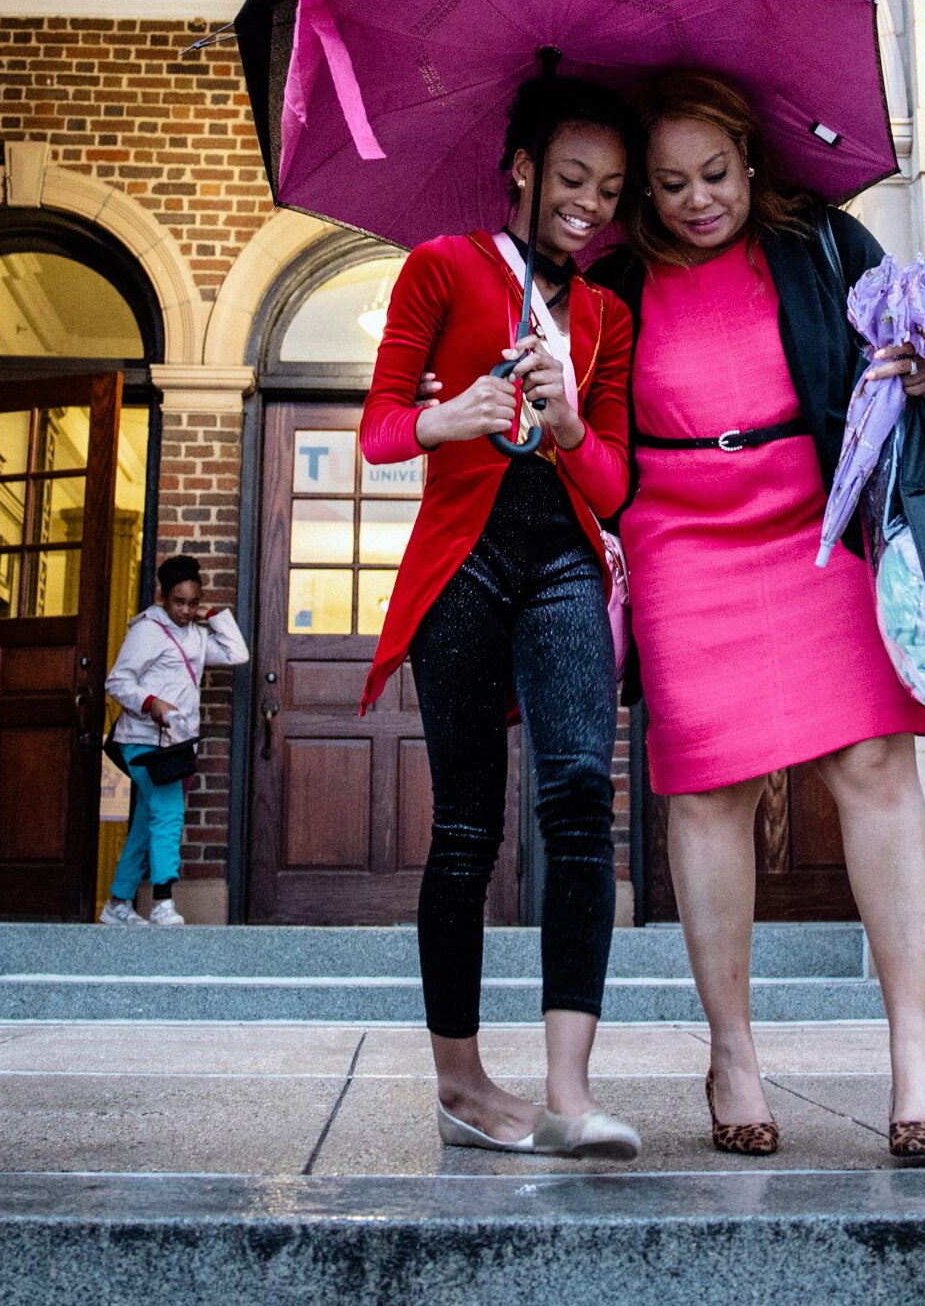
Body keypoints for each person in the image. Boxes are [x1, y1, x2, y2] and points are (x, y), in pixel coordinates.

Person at [589, 67, 925, 1161]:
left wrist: (914, 366)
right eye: (670, 184)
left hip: (820, 523)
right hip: (683, 542)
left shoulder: (825, 241)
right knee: (710, 789)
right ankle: (733, 1051)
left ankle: (915, 1049)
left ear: (751, 160)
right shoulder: (613, 283)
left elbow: (905, 356)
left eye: (715, 174)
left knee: (875, 765)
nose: (698, 199)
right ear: (644, 194)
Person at [358, 69, 642, 1160]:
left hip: (566, 559)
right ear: (521, 168)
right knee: (468, 824)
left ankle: (568, 1092)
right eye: (573, 178)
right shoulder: (443, 266)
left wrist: (570, 417)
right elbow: (379, 423)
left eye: (611, 190)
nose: (592, 205)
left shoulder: (608, 313)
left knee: (581, 799)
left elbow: (614, 488)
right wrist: (450, 413)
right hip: (462, 565)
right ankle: (463, 1083)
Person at [101, 554, 250, 926]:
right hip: (142, 742)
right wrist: (152, 703)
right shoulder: (146, 631)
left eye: (193, 603)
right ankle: (163, 900)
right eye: (178, 602)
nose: (185, 610)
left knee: (146, 820)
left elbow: (237, 653)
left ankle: (118, 902)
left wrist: (212, 616)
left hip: (175, 745)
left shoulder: (197, 636)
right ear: (162, 598)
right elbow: (117, 681)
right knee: (169, 814)